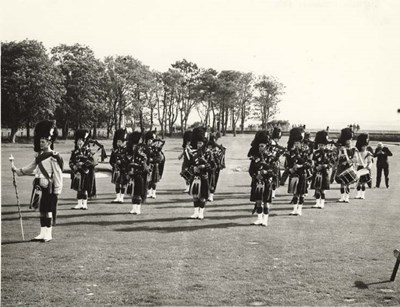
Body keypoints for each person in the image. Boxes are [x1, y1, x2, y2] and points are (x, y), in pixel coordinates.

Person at [12, 120, 63, 242]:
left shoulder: (54, 156)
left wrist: (57, 191)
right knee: (41, 210)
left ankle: (49, 234)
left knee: (48, 210)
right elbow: (30, 167)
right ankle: (42, 233)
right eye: (40, 141)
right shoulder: (38, 155)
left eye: (43, 142)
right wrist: (17, 170)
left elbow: (58, 175)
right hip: (38, 186)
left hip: (49, 187)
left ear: (49, 142)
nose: (40, 143)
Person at [248, 130, 275, 226]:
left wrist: (266, 172)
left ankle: (265, 220)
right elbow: (251, 170)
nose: (260, 148)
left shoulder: (271, 158)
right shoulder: (255, 158)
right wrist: (255, 176)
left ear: (266, 146)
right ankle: (259, 219)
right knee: (258, 201)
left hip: (267, 182)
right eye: (259, 146)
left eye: (262, 146)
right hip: (257, 181)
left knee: (266, 202)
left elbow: (274, 171)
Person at [188, 127, 214, 220]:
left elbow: (212, 166)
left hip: (204, 177)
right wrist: (193, 168)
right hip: (195, 177)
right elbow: (189, 165)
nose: (199, 145)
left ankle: (201, 213)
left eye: (200, 143)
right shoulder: (193, 153)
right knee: (195, 196)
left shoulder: (208, 153)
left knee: (203, 196)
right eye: (198, 143)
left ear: (204, 143)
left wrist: (203, 167)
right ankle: (195, 212)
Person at [284, 127, 312, 216]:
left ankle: (299, 209)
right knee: (295, 194)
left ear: (301, 143)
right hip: (294, 174)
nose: (296, 145)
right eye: (295, 143)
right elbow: (287, 165)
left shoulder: (305, 152)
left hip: (302, 174)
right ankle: (294, 209)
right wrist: (290, 169)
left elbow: (309, 164)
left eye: (298, 143)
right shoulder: (290, 153)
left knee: (301, 193)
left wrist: (300, 165)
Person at [70, 129, 96, 210]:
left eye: (81, 141)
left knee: (84, 189)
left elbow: (92, 162)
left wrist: (84, 164)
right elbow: (71, 162)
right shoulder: (74, 152)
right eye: (78, 141)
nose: (79, 142)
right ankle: (79, 204)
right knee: (78, 189)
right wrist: (74, 166)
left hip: (85, 173)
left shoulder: (87, 151)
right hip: (78, 173)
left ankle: (85, 204)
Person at [126, 131, 149, 215]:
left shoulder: (143, 148)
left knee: (139, 192)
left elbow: (145, 162)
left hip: (140, 173)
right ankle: (133, 208)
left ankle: (138, 208)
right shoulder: (131, 148)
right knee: (133, 192)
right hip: (132, 173)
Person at [311, 130, 333, 209]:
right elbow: (313, 162)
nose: (321, 146)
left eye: (322, 145)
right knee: (317, 189)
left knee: (323, 190)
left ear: (325, 145)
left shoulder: (329, 153)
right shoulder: (315, 152)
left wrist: (325, 166)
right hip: (317, 172)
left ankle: (322, 203)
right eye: (320, 145)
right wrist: (315, 167)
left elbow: (332, 163)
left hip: (325, 172)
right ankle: (317, 202)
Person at [335, 128, 357, 203]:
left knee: (348, 183)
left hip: (348, 167)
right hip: (341, 167)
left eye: (350, 140)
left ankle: (347, 197)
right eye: (348, 140)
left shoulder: (353, 149)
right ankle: (342, 196)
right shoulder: (340, 149)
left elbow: (355, 159)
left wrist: (348, 162)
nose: (349, 141)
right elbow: (337, 158)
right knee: (342, 183)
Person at [109, 128, 129, 203]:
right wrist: (114, 165)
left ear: (123, 142)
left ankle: (122, 197)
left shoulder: (126, 151)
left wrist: (122, 162)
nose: (118, 143)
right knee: (117, 183)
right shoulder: (115, 150)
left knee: (123, 183)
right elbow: (111, 160)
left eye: (120, 141)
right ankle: (117, 197)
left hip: (124, 169)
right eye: (117, 141)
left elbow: (128, 160)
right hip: (116, 169)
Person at [145, 130, 166, 199]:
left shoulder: (157, 149)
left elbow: (160, 158)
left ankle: (153, 192)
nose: (150, 142)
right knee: (148, 181)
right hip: (147, 166)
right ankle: (149, 192)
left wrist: (152, 160)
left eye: (151, 140)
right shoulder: (145, 148)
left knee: (154, 181)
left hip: (154, 166)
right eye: (148, 141)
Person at [206, 131, 226, 202]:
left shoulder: (219, 148)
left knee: (213, 180)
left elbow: (221, 156)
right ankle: (207, 194)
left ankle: (211, 194)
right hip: (206, 166)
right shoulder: (206, 146)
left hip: (215, 166)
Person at [354, 133, 373, 199]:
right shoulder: (357, 153)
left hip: (365, 168)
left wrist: (368, 166)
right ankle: (358, 194)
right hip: (359, 167)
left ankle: (363, 195)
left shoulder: (368, 153)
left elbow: (370, 162)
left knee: (363, 183)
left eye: (365, 146)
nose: (364, 147)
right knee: (358, 182)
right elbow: (355, 160)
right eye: (363, 146)